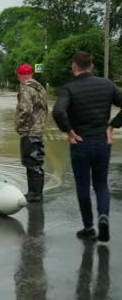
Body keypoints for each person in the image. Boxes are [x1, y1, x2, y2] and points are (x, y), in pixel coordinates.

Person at [53, 52, 122, 242]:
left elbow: (58, 111)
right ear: (91, 66)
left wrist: (68, 131)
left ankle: (88, 227)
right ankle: (104, 217)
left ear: (74, 66)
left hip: (80, 143)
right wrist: (112, 126)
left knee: (83, 186)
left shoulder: (69, 88)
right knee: (101, 184)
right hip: (102, 141)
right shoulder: (107, 85)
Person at [16, 63, 49, 202]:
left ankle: (34, 194)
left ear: (19, 75)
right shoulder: (40, 88)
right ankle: (35, 193)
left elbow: (26, 110)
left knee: (31, 162)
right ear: (32, 74)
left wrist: (19, 124)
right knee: (36, 161)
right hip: (39, 130)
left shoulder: (26, 89)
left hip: (29, 131)